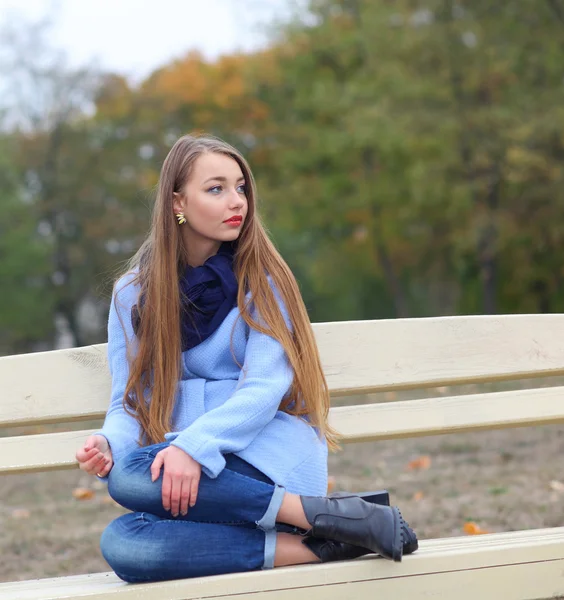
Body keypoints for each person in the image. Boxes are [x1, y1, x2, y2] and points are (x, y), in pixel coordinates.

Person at [75, 134, 418, 583]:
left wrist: (191, 446)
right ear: (177, 201)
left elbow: (263, 390)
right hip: (196, 479)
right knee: (123, 543)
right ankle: (329, 536)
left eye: (240, 188)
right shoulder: (132, 295)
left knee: (131, 479)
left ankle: (306, 511)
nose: (236, 201)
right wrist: (108, 445)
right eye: (216, 189)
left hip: (266, 456)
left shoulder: (262, 280)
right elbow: (129, 402)